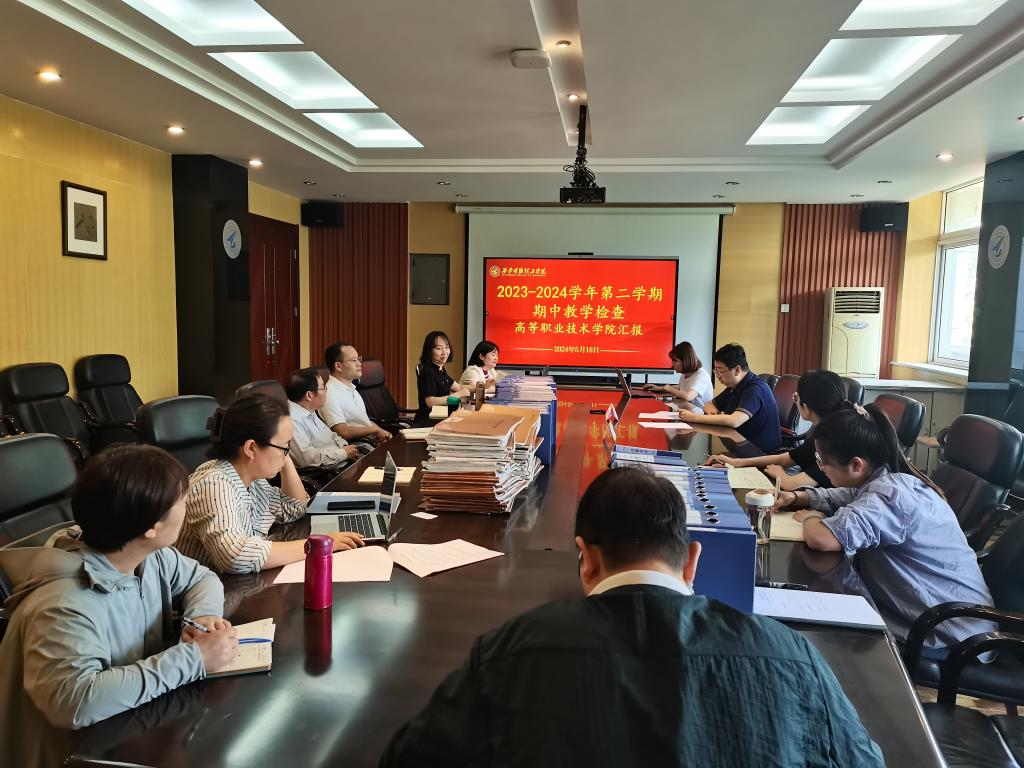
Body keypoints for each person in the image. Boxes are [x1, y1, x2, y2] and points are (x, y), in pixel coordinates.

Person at [380, 467, 884, 767]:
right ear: (692, 561)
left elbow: (410, 758)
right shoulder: (790, 655)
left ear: (585, 558)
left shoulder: (512, 650)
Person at [0, 445, 238, 767]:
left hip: (129, 731)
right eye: (182, 500)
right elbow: (75, 701)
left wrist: (201, 618)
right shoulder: (61, 606)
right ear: (151, 528)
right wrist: (193, 659)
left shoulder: (147, 555)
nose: (187, 504)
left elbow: (201, 578)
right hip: (74, 756)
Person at [777, 404, 995, 656]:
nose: (821, 468)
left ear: (857, 465)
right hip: (937, 612)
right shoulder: (886, 479)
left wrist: (811, 517)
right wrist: (797, 497)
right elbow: (844, 496)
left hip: (948, 632)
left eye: (823, 462)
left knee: (820, 636)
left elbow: (822, 539)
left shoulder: (891, 495)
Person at [176, 392, 363, 574]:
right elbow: (236, 556)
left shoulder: (253, 480)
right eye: (284, 446)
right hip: (209, 589)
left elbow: (294, 508)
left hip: (238, 583)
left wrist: (284, 457)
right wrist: (318, 544)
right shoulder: (214, 484)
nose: (287, 453)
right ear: (251, 448)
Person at [709, 368, 847, 490]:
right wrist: (736, 462)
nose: (795, 401)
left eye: (796, 397)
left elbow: (791, 484)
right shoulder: (823, 427)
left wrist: (780, 474)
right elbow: (786, 459)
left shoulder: (833, 439)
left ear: (805, 406)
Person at [675, 343, 781, 453]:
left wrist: (693, 417)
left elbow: (734, 421)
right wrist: (713, 414)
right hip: (738, 443)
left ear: (737, 370)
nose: (717, 376)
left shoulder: (756, 389)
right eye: (716, 371)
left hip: (760, 452)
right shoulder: (734, 386)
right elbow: (709, 404)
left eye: (720, 371)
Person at [285, 367, 359, 471]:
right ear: (309, 395)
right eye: (323, 388)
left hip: (341, 463)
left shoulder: (308, 409)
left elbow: (332, 435)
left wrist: (345, 447)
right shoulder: (291, 420)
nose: (326, 391)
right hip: (326, 473)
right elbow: (306, 459)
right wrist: (343, 453)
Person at [321, 342, 391, 445]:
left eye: (359, 359)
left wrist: (381, 431)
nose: (359, 363)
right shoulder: (330, 394)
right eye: (354, 360)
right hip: (357, 447)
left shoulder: (351, 387)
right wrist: (374, 430)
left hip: (371, 441)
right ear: (338, 366)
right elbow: (343, 432)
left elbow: (363, 422)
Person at [415, 330, 470, 423]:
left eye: (447, 347)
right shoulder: (427, 371)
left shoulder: (440, 369)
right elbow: (430, 402)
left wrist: (464, 393)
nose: (444, 352)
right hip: (429, 420)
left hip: (441, 416)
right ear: (429, 351)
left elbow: (459, 388)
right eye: (439, 348)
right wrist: (458, 395)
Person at [643, 341, 714, 410]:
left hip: (701, 415)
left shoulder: (701, 376)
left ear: (685, 361)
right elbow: (680, 387)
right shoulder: (685, 374)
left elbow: (688, 396)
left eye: (675, 361)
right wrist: (660, 388)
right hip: (688, 411)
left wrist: (669, 389)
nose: (672, 364)